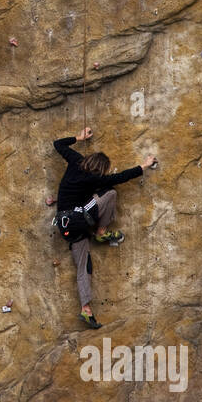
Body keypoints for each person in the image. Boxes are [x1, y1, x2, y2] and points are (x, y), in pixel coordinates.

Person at [53, 126, 157, 329]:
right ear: (100, 169)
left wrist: (79, 137)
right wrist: (144, 165)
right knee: (109, 193)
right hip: (77, 218)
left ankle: (86, 308)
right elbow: (120, 178)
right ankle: (101, 232)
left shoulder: (75, 160)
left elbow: (58, 144)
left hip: (66, 227)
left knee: (84, 266)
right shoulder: (96, 178)